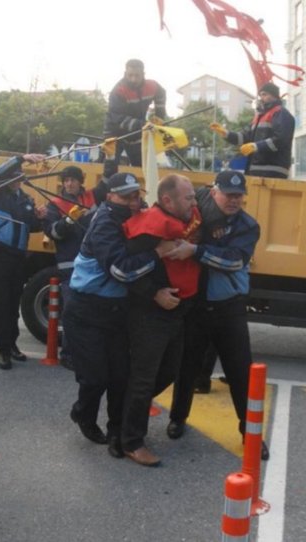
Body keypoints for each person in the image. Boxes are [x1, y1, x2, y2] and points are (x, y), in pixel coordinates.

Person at [164, 171, 268, 460]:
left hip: (229, 308)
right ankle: (177, 418)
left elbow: (234, 260)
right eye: (228, 194)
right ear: (214, 192)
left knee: (241, 373)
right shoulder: (197, 213)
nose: (234, 200)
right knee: (187, 368)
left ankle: (251, 432)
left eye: (238, 195)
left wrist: (195, 251)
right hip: (196, 307)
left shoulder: (248, 226)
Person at [65, 172, 168, 459]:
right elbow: (122, 270)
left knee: (120, 378)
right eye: (127, 197)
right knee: (95, 377)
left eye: (137, 195)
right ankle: (82, 414)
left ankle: (116, 433)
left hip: (116, 311)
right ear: (110, 197)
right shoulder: (105, 223)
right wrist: (158, 252)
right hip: (87, 310)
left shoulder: (131, 218)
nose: (135, 202)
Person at [119, 174, 202, 467]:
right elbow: (125, 270)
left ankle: (125, 414)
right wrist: (153, 293)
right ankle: (130, 441)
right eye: (189, 197)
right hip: (151, 313)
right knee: (143, 379)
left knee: (168, 371)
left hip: (177, 312)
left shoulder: (185, 215)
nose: (194, 202)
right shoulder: (148, 227)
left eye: (194, 196)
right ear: (168, 200)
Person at [0, 154, 47, 369]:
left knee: (12, 306)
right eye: (13, 176)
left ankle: (12, 344)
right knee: (0, 305)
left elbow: (33, 227)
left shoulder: (26, 199)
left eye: (19, 176)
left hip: (18, 257)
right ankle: (2, 349)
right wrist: (21, 158)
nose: (17, 179)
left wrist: (40, 217)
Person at [42, 165, 96, 368]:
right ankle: (68, 355)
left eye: (73, 179)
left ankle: (84, 353)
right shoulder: (55, 204)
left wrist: (110, 157)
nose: (69, 183)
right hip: (70, 266)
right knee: (72, 312)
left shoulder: (90, 199)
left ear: (80, 181)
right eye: (66, 180)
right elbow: (52, 231)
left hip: (91, 264)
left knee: (89, 312)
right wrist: (68, 221)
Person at [210, 81, 295, 179]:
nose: (261, 98)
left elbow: (281, 140)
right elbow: (245, 137)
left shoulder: (281, 113)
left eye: (264, 94)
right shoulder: (259, 117)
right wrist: (226, 133)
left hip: (273, 170)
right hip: (256, 170)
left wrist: (256, 146)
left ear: (274, 96)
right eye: (260, 95)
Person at [103, 59, 166, 168]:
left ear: (143, 74)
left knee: (142, 166)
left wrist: (159, 117)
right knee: (109, 166)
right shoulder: (118, 91)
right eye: (130, 75)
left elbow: (161, 94)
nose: (133, 79)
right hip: (114, 133)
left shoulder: (153, 86)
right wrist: (142, 125)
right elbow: (117, 117)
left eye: (137, 75)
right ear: (125, 74)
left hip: (138, 132)